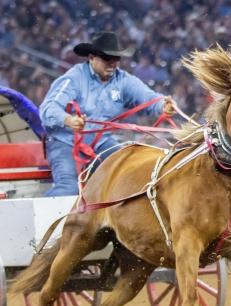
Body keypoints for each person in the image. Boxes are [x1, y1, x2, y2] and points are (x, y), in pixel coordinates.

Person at [39, 32, 174, 197]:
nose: (111, 63)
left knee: (130, 169)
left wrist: (162, 105)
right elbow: (48, 108)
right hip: (65, 142)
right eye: (106, 57)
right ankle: (43, 221)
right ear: (91, 57)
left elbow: (147, 97)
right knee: (69, 188)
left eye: (115, 58)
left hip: (100, 144)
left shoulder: (123, 80)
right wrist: (68, 120)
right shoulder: (74, 78)